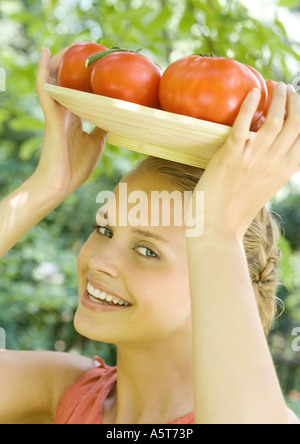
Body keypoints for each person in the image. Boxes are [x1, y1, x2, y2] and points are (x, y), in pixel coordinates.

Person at [0, 45, 299, 424]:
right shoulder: (63, 393)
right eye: (105, 229)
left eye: (147, 250)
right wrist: (46, 187)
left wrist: (217, 232)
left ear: (217, 276)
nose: (99, 261)